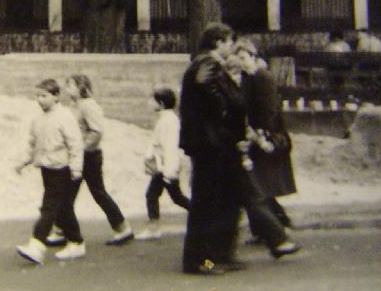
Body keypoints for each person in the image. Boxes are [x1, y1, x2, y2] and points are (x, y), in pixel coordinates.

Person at [179, 23, 298, 275]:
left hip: (215, 143)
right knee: (207, 204)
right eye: (229, 42)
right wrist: (229, 105)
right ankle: (202, 261)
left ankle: (220, 256)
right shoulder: (208, 63)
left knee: (224, 202)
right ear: (219, 42)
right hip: (211, 144)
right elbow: (210, 94)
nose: (231, 47)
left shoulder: (206, 63)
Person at [52, 75, 133, 246]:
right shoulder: (74, 105)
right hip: (77, 156)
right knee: (67, 193)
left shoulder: (88, 105)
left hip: (88, 157)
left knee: (96, 193)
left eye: (70, 85)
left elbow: (96, 131)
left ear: (81, 87)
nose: (67, 89)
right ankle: (61, 230)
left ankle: (122, 228)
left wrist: (81, 149)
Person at [229, 39, 297, 235]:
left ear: (253, 56)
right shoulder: (248, 77)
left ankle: (276, 224)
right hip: (255, 135)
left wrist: (262, 133)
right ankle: (268, 227)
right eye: (239, 58)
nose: (241, 62)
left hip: (265, 135)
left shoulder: (262, 77)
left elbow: (269, 109)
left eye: (244, 57)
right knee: (259, 185)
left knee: (260, 184)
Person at [15, 78, 85, 264]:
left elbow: (75, 144)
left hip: (63, 169)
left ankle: (36, 246)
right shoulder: (38, 119)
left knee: (49, 207)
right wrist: (24, 161)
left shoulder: (65, 117)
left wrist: (76, 168)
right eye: (37, 96)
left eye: (44, 96)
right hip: (47, 169)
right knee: (63, 208)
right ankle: (76, 242)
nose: (40, 100)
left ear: (56, 96)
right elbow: (33, 143)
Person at [134, 87, 190, 241]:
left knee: (153, 195)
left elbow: (170, 147)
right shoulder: (166, 119)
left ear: (161, 103)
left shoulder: (168, 122)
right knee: (175, 197)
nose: (149, 102)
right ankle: (203, 217)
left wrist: (169, 171)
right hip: (164, 166)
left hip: (165, 167)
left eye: (152, 100)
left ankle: (154, 228)